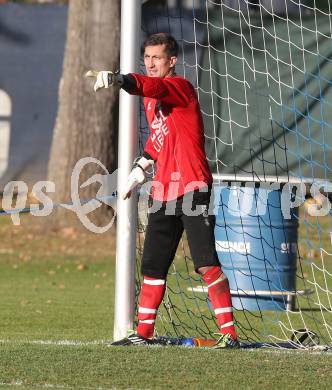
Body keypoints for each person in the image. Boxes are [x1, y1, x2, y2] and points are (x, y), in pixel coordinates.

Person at [87, 33, 238, 348]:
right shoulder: (151, 100)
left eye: (157, 58)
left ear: (172, 61)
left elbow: (150, 85)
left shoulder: (179, 87)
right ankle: (143, 335)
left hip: (193, 186)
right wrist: (140, 167)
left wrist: (120, 79)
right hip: (164, 191)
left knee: (206, 263)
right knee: (153, 265)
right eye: (147, 57)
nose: (151, 63)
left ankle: (230, 334)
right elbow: (158, 137)